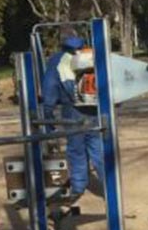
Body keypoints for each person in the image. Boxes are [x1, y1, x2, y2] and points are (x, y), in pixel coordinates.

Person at [41, 33, 102, 203]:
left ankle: (78, 187)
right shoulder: (91, 56)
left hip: (72, 109)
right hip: (94, 108)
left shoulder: (57, 61)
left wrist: (48, 116)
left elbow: (50, 88)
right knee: (98, 147)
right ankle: (111, 186)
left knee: (76, 150)